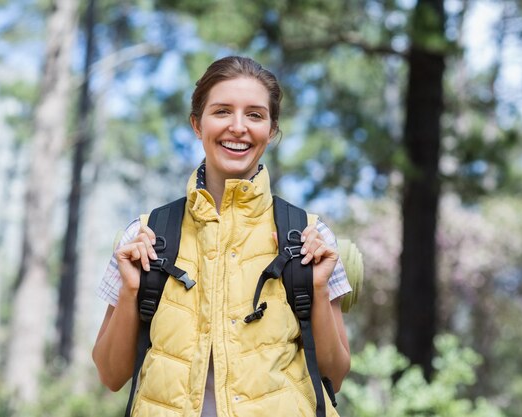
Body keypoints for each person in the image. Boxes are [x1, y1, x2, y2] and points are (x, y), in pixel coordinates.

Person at [93, 56, 351, 417]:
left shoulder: (309, 236)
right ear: (197, 124)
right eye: (222, 111)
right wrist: (130, 290)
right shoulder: (144, 236)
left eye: (255, 115)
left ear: (272, 130)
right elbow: (110, 374)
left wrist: (319, 290)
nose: (238, 127)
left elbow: (334, 376)